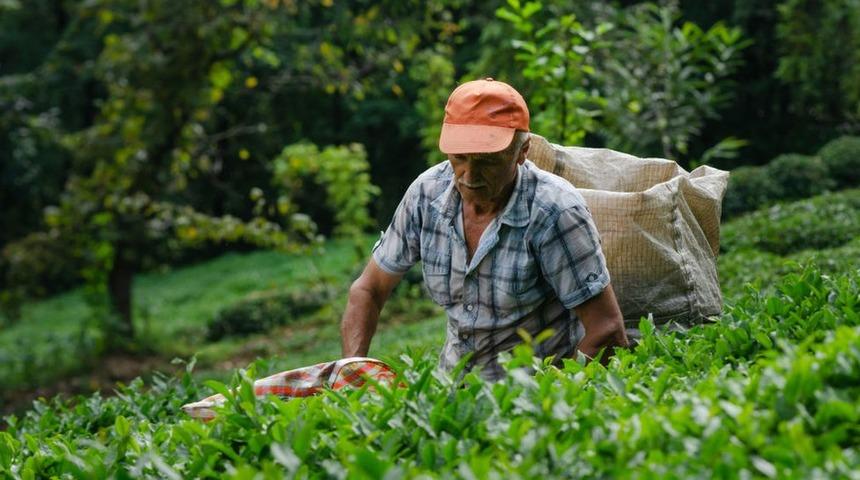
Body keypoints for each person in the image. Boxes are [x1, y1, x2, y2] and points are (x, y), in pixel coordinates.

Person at [340, 78, 629, 380]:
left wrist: (556, 401)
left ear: (522, 151)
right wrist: (352, 372)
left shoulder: (553, 211)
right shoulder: (426, 195)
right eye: (460, 158)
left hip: (532, 391)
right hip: (452, 390)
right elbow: (368, 290)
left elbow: (606, 330)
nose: (469, 174)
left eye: (487, 161)